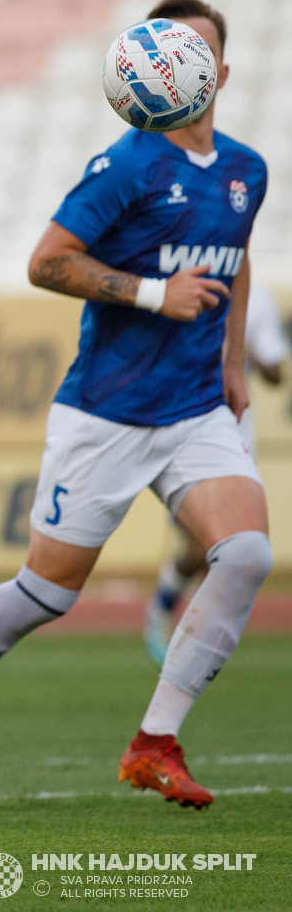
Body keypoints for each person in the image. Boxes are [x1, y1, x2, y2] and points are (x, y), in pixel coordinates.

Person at [0, 0, 268, 812]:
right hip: (107, 411)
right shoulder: (128, 167)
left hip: (197, 407)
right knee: (48, 594)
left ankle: (154, 742)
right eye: (161, 51)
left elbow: (237, 269)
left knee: (245, 554)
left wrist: (233, 368)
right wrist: (150, 292)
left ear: (221, 72)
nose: (176, 65)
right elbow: (47, 262)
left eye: (193, 52)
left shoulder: (247, 170)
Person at [145, 281, 286, 664]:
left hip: (235, 437)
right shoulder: (182, 283)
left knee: (232, 550)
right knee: (202, 548)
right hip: (182, 432)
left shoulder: (256, 300)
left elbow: (276, 374)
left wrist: (242, 345)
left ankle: (190, 635)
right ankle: (163, 610)